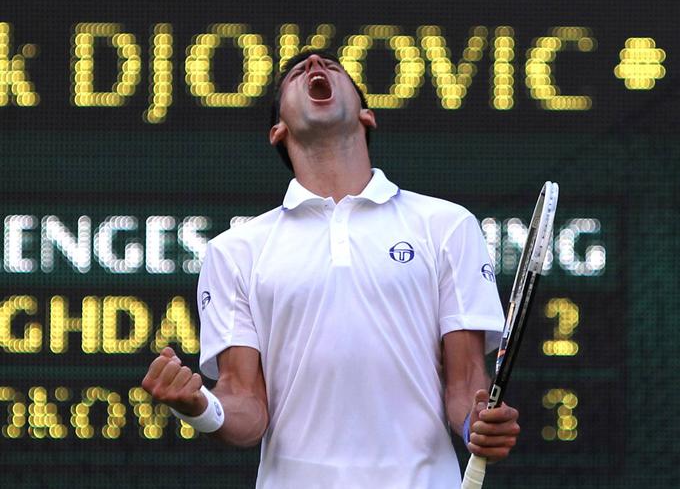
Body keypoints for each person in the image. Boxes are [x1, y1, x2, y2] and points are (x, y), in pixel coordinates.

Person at [142, 50, 520, 488]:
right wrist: (200, 407)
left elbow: (465, 382)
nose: (316, 64)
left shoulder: (447, 226)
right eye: (298, 72)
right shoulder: (234, 252)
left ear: (366, 115)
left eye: (331, 68)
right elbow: (245, 406)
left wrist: (478, 422)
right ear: (278, 130)